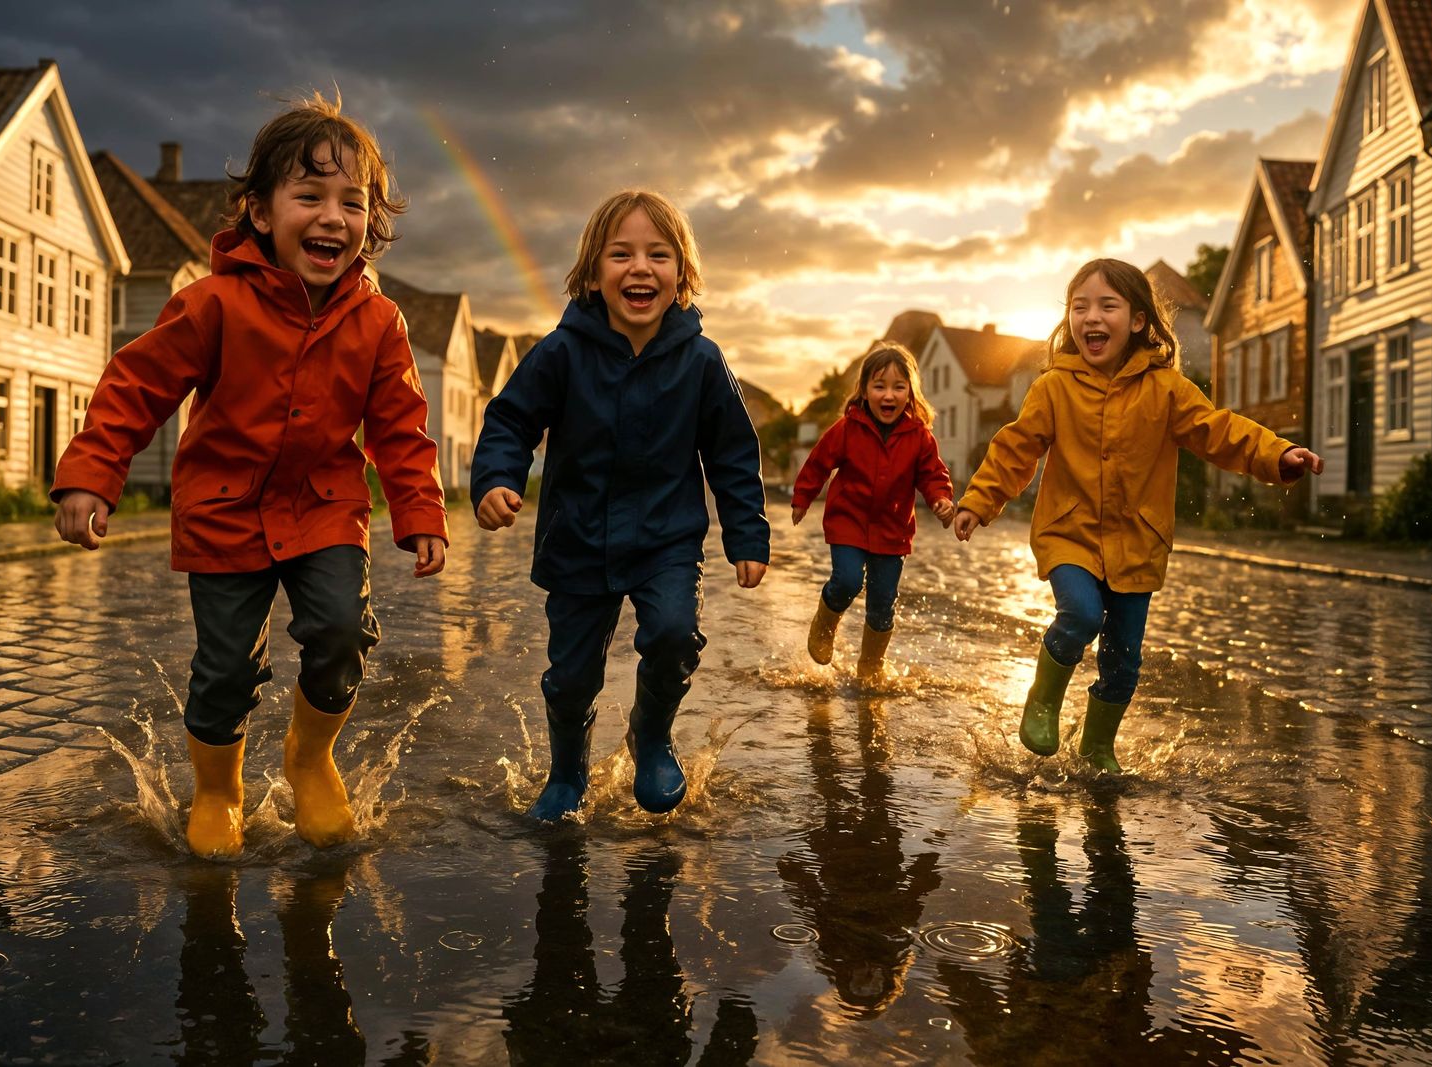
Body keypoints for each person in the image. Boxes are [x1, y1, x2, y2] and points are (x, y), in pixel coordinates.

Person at [50, 92, 448, 859]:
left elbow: (402, 427)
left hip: (326, 507)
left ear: (371, 222)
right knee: (226, 667)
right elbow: (136, 387)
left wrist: (421, 513)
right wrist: (92, 473)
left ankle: (310, 757)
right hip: (223, 510)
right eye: (310, 196)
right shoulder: (211, 305)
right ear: (261, 213)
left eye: (352, 202)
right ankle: (218, 790)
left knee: (342, 631)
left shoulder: (379, 323)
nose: (333, 217)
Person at [953, 258, 1322, 772]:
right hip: (1068, 533)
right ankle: (1042, 698)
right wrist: (978, 501)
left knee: (1124, 662)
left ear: (1138, 320)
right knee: (1081, 615)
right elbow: (1015, 449)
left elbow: (1218, 430)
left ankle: (1097, 747)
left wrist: (1277, 453)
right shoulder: (1053, 387)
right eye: (1079, 307)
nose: (1091, 317)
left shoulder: (1167, 389)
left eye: (1107, 306)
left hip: (1138, 541)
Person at [472, 189, 769, 822]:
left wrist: (747, 534)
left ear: (682, 274)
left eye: (658, 255)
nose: (640, 267)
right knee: (572, 675)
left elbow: (733, 453)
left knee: (673, 633)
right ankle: (567, 773)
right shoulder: (562, 352)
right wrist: (496, 478)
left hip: (667, 540)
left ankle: (651, 735)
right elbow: (510, 421)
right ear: (592, 274)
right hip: (576, 539)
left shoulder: (702, 360)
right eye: (621, 254)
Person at [791, 342, 954, 682]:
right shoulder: (847, 428)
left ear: (910, 393)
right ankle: (824, 625)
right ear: (864, 391)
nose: (888, 395)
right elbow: (819, 462)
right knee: (847, 580)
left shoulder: (920, 437)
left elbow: (932, 475)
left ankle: (870, 666)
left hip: (892, 530)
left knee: (883, 603)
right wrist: (803, 497)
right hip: (848, 522)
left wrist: (940, 499)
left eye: (898, 387)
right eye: (879, 386)